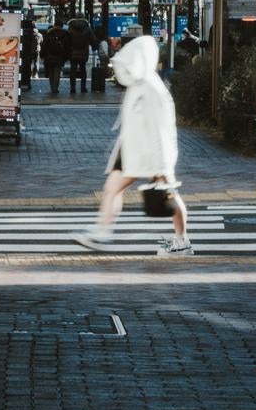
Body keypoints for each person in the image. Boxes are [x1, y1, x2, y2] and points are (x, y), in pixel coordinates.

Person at [73, 35, 191, 255]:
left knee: (168, 194)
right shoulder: (139, 85)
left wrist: (162, 163)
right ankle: (102, 232)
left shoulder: (150, 89)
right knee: (112, 189)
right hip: (133, 150)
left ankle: (182, 240)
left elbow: (161, 129)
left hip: (149, 153)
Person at [66, 15, 95, 94]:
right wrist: (94, 46)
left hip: (73, 52)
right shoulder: (87, 29)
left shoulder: (70, 28)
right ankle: (83, 88)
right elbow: (93, 40)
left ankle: (72, 88)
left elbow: (67, 41)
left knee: (73, 70)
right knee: (83, 70)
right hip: (83, 52)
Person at [41, 22, 70, 94]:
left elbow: (44, 45)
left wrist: (42, 55)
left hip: (49, 56)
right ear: (62, 25)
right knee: (57, 72)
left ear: (54, 25)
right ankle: (55, 88)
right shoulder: (65, 33)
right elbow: (67, 46)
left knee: (51, 72)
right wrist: (66, 56)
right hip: (60, 56)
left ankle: (52, 88)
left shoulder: (49, 32)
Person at [19, 12, 39, 90]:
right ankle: (29, 81)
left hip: (24, 53)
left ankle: (24, 82)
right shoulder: (36, 34)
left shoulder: (22, 33)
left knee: (23, 68)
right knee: (29, 67)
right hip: (32, 52)